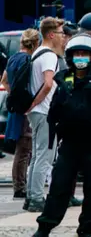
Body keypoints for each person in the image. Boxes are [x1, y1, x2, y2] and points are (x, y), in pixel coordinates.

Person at [32, 34, 91, 237]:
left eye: (85, 54)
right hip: (70, 144)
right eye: (77, 54)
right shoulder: (64, 79)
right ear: (71, 56)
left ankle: (86, 229)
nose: (80, 57)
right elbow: (54, 109)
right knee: (59, 187)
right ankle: (44, 227)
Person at [24, 18, 66, 212]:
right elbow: (48, 83)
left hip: (35, 113)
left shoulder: (37, 53)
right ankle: (37, 198)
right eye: (60, 33)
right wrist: (36, 102)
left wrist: (32, 105)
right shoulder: (49, 56)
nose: (63, 37)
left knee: (36, 155)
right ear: (51, 35)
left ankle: (31, 196)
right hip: (44, 111)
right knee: (44, 156)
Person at [1, 29, 39, 200]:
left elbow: (4, 81)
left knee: (21, 148)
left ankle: (19, 184)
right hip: (25, 108)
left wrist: (12, 95)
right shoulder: (28, 60)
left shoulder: (13, 58)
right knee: (24, 148)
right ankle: (20, 186)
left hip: (15, 108)